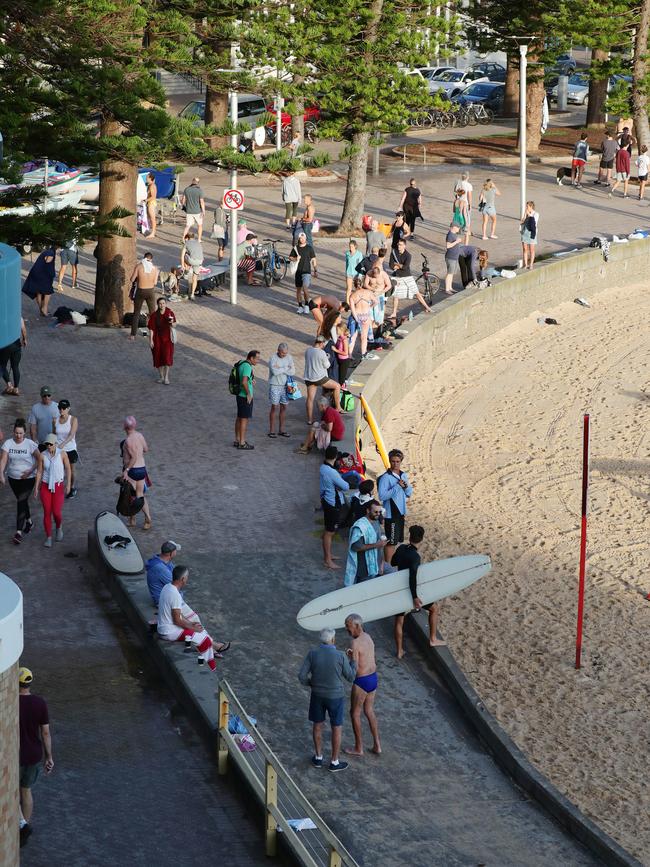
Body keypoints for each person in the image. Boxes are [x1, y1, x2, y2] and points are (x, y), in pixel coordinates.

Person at [298, 627, 356, 772]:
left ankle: (318, 757)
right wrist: (353, 661)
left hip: (317, 695)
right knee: (336, 727)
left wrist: (311, 684)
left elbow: (302, 676)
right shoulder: (341, 655)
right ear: (333, 639)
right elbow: (351, 677)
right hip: (336, 696)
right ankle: (334, 761)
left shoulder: (312, 654)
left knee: (318, 724)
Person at [157, 566, 229, 671]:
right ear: (183, 579)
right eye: (187, 577)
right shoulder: (175, 595)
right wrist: (192, 628)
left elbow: (178, 616)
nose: (187, 579)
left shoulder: (167, 587)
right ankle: (211, 667)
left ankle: (210, 658)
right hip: (169, 631)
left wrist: (191, 624)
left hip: (165, 627)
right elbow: (177, 620)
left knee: (201, 632)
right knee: (204, 640)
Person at [392, 525, 445, 658]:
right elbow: (412, 577)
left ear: (409, 536)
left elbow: (393, 562)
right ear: (421, 539)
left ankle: (399, 651)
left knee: (399, 621)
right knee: (434, 609)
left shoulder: (402, 548)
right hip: (410, 592)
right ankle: (433, 639)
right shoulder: (415, 557)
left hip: (399, 589)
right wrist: (415, 597)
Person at [18, 667, 54, 845]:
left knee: (12, 790)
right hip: (34, 754)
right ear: (30, 683)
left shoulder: (11, 701)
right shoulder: (40, 703)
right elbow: (45, 733)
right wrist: (49, 757)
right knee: (26, 790)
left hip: (16, 754)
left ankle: (21, 825)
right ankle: (24, 824)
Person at [343, 614, 381, 757]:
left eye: (349, 626)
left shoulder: (355, 643)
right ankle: (377, 745)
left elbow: (354, 669)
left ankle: (359, 748)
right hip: (373, 678)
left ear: (357, 626)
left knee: (354, 713)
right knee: (369, 710)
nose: (347, 629)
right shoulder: (368, 637)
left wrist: (347, 657)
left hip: (362, 680)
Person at [1, 418, 41, 544]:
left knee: (21, 501)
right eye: (16, 433)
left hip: (28, 478)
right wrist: (1, 473)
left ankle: (18, 532)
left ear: (24, 433)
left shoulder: (30, 444)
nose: (18, 435)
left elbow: (40, 459)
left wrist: (30, 471)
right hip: (13, 478)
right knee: (22, 501)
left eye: (21, 433)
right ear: (13, 432)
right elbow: (3, 460)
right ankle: (29, 522)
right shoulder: (8, 443)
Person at [33, 433, 71, 547]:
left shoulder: (62, 454)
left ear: (55, 444)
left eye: (50, 444)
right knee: (47, 512)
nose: (48, 446)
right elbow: (39, 471)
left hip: (58, 486)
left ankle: (59, 527)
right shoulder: (42, 455)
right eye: (47, 444)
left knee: (57, 512)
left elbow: (68, 468)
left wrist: (68, 484)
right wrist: (36, 487)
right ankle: (48, 537)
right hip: (45, 486)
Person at [377, 448, 413, 566]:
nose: (395, 464)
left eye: (398, 461)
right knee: (391, 542)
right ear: (389, 461)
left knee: (395, 541)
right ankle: (387, 566)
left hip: (400, 513)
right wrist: (397, 486)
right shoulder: (385, 478)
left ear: (401, 461)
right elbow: (382, 496)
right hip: (391, 514)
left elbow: (409, 493)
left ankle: (389, 564)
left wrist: (405, 487)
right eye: (393, 461)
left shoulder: (403, 475)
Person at [318, 444, 349, 568]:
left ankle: (328, 555)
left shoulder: (323, 467)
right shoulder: (332, 472)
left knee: (329, 530)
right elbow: (346, 486)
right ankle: (327, 560)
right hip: (332, 503)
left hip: (326, 500)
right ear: (335, 457)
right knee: (329, 532)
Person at [344, 499, 386, 586]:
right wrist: (376, 545)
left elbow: (380, 542)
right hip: (365, 569)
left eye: (379, 512)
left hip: (377, 564)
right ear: (368, 511)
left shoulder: (376, 521)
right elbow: (355, 547)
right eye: (375, 512)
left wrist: (381, 564)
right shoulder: (360, 527)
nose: (378, 514)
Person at [121, 415, 152, 529]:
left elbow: (133, 458)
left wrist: (126, 471)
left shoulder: (128, 441)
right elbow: (146, 449)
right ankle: (147, 518)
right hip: (142, 469)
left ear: (125, 427)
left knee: (130, 495)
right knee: (140, 495)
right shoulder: (140, 435)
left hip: (133, 471)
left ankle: (133, 520)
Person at [304, 335, 342, 423]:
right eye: (323, 344)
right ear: (321, 343)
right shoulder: (321, 353)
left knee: (310, 399)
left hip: (309, 377)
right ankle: (338, 407)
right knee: (337, 386)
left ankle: (310, 420)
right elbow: (327, 365)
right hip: (320, 378)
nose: (324, 346)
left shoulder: (308, 350)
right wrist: (327, 358)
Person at [389, 239, 432, 317]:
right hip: (397, 276)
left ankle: (427, 307)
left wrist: (397, 265)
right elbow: (391, 265)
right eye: (398, 244)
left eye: (401, 245)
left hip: (407, 276)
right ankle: (394, 313)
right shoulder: (393, 253)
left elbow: (405, 267)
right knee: (396, 295)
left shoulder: (408, 255)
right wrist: (399, 266)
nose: (399, 246)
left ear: (405, 246)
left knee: (417, 292)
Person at [128, 252, 159, 340]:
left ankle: (133, 335)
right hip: (150, 291)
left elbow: (132, 279)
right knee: (152, 314)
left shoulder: (139, 266)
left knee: (136, 313)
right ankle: (153, 334)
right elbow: (155, 282)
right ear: (151, 259)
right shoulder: (155, 269)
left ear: (144, 258)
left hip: (140, 291)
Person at [234, 349, 260, 450]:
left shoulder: (242, 363)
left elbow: (244, 379)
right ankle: (242, 442)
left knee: (239, 417)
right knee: (244, 420)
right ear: (251, 358)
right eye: (257, 358)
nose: (258, 361)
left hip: (239, 395)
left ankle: (237, 440)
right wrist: (248, 393)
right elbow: (244, 382)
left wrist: (251, 380)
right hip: (244, 397)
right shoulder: (248, 367)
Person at [268, 342, 295, 438]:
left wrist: (280, 368)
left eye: (285, 353)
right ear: (278, 351)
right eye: (283, 353)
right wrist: (286, 368)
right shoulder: (273, 358)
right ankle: (271, 430)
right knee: (274, 407)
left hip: (286, 386)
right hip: (274, 385)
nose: (284, 355)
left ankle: (281, 430)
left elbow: (292, 371)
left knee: (284, 407)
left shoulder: (289, 357)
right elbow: (274, 372)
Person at [147, 297, 176, 385]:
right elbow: (151, 329)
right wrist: (151, 340)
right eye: (160, 303)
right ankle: (161, 377)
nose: (162, 305)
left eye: (163, 303)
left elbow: (175, 325)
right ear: (158, 305)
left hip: (167, 339)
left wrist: (172, 323)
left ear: (166, 304)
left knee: (167, 357)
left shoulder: (169, 313)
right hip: (157, 338)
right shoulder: (154, 315)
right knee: (158, 357)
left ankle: (166, 377)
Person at [54, 399, 78, 499]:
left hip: (70, 449)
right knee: (58, 470)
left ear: (68, 409)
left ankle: (71, 487)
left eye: (64, 408)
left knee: (71, 470)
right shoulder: (55, 420)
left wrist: (63, 444)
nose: (61, 410)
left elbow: (72, 434)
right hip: (59, 450)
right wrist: (53, 445)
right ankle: (59, 488)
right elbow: (54, 434)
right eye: (60, 408)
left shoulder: (73, 420)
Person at [145, 539, 182, 605]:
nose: (176, 552)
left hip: (165, 595)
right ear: (171, 553)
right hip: (162, 602)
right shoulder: (160, 568)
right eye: (175, 551)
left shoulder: (163, 560)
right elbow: (176, 584)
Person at [349, 280, 378, 362]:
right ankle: (363, 354)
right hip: (366, 315)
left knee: (353, 336)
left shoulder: (352, 295)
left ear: (355, 285)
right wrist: (370, 307)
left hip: (357, 315)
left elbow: (353, 309)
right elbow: (376, 302)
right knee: (364, 337)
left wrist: (356, 319)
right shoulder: (368, 292)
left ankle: (350, 355)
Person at [22, 248, 56, 317]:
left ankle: (41, 310)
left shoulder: (46, 251)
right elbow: (47, 261)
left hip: (35, 273)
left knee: (39, 292)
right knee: (48, 291)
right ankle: (44, 309)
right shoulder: (51, 252)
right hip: (43, 274)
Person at [291, 232, 317, 313]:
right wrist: (296, 259)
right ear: (299, 239)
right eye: (300, 238)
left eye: (303, 238)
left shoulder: (309, 248)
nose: (302, 239)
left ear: (306, 238)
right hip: (298, 271)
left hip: (306, 271)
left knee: (305, 288)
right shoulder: (296, 248)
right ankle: (300, 306)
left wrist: (315, 270)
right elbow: (290, 257)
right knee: (298, 290)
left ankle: (306, 305)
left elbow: (313, 259)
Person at [0, 317, 27, 396]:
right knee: (15, 366)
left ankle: (9, 385)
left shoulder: (4, 316)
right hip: (16, 345)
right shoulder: (19, 317)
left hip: (5, 345)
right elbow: (23, 329)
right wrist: (25, 339)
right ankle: (16, 388)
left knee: (1, 365)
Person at [181, 176, 206, 241]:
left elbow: (183, 200)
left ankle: (183, 238)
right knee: (200, 225)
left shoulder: (187, 189)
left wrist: (183, 206)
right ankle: (199, 239)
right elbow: (202, 202)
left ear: (192, 181)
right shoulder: (199, 190)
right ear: (197, 183)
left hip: (189, 211)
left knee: (188, 226)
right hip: (197, 211)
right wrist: (203, 211)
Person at [181, 230, 204, 300]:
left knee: (185, 255)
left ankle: (186, 269)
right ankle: (192, 294)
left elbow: (182, 256)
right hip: (200, 261)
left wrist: (182, 265)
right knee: (195, 278)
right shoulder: (198, 243)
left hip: (191, 261)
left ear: (187, 238)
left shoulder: (186, 243)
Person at [520, 201, 539, 270]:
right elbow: (522, 222)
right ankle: (525, 264)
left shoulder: (536, 214)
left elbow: (534, 222)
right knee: (525, 249)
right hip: (525, 233)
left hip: (531, 234)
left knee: (532, 250)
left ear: (531, 207)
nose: (526, 208)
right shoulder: (526, 213)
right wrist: (525, 215)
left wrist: (529, 215)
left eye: (527, 206)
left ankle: (531, 264)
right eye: (526, 206)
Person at [444, 223, 462, 295]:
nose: (459, 228)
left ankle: (450, 287)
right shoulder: (450, 235)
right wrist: (456, 242)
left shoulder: (454, 234)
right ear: (453, 227)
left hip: (454, 257)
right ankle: (447, 289)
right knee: (449, 273)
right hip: (450, 257)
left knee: (451, 274)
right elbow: (448, 246)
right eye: (458, 227)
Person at [333, 322, 350, 386]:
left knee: (341, 380)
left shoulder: (344, 340)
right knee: (338, 377)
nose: (336, 331)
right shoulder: (339, 338)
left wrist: (335, 350)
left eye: (337, 330)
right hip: (339, 360)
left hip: (344, 361)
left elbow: (346, 353)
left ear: (341, 330)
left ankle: (342, 392)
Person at [145, 172, 157, 238]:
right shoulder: (150, 185)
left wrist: (145, 200)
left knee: (152, 219)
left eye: (147, 177)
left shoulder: (152, 186)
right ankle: (150, 231)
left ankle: (153, 233)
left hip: (151, 203)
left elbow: (153, 196)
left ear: (150, 178)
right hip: (150, 203)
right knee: (149, 218)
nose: (146, 179)